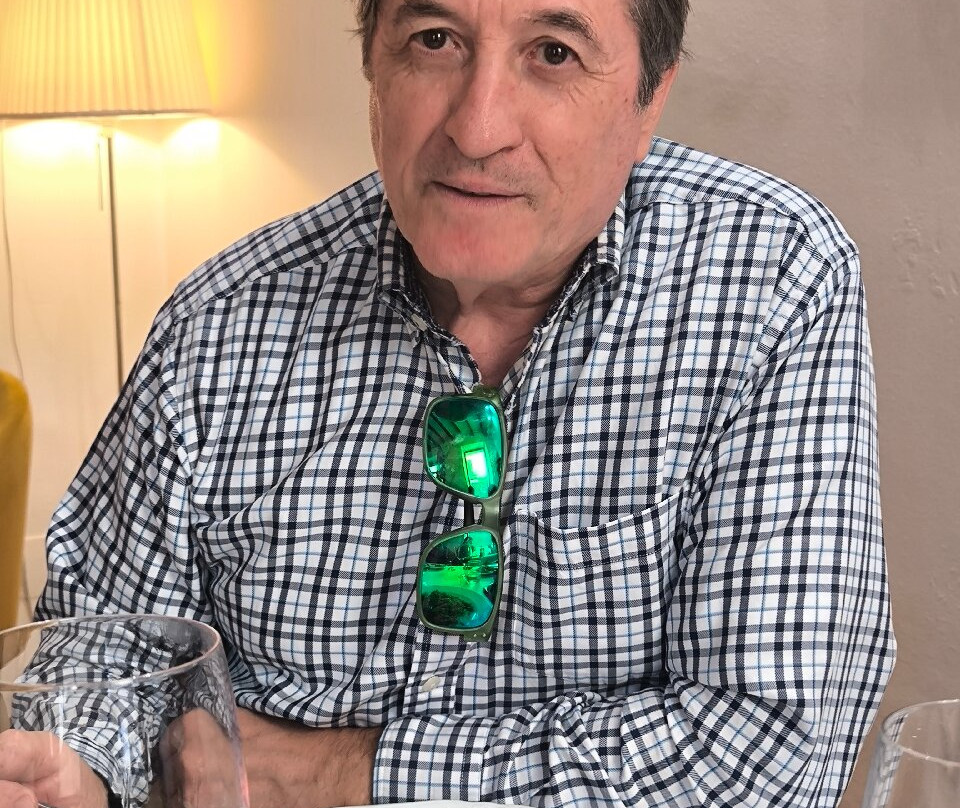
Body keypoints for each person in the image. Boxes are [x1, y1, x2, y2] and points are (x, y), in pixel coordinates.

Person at [0, 0, 895, 805]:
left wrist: (339, 774)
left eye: (553, 53)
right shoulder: (217, 321)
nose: (477, 128)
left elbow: (771, 757)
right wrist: (80, 774)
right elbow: (101, 665)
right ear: (373, 66)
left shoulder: (772, 282)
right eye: (435, 41)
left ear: (650, 97)